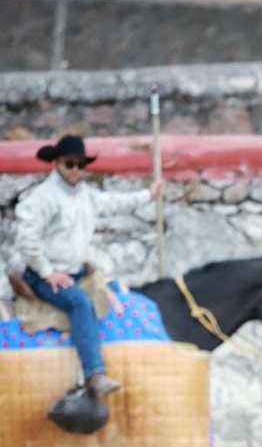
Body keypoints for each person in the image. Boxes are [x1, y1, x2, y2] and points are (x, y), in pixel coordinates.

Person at [14, 134, 163, 397]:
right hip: (44, 275)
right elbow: (27, 239)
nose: (75, 170)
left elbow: (114, 203)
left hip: (74, 269)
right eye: (69, 164)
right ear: (57, 163)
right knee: (80, 303)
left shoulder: (84, 194)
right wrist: (47, 272)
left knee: (113, 288)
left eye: (80, 165)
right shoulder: (43, 198)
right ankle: (94, 374)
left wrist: (147, 195)